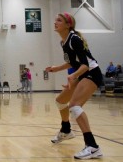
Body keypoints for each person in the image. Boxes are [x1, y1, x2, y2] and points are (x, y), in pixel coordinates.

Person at [45, 12, 103, 159]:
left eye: (59, 20)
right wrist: (56, 68)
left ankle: (93, 147)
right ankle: (66, 130)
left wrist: (73, 76)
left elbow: (84, 64)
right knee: (60, 101)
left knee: (75, 106)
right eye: (55, 20)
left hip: (91, 72)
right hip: (82, 74)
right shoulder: (64, 41)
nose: (55, 22)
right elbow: (73, 62)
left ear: (68, 25)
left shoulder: (74, 39)